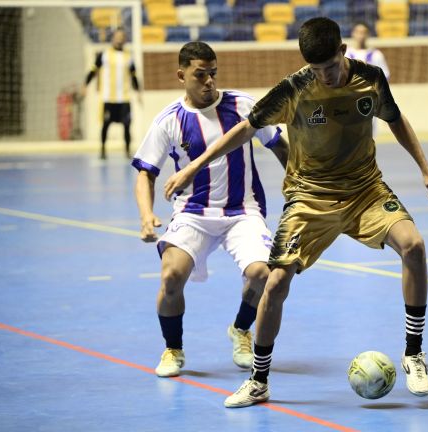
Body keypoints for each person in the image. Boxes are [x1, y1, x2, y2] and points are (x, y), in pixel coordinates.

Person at [163, 18, 428, 407]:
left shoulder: (370, 79)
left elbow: (396, 120)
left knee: (413, 246)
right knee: (275, 283)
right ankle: (259, 380)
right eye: (315, 69)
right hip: (309, 197)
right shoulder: (295, 88)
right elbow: (245, 129)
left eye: (328, 67)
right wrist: (194, 166)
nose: (323, 76)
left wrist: (425, 169)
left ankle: (414, 354)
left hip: (365, 189)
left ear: (343, 52)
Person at [132, 41, 289, 378]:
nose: (209, 82)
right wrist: (146, 216)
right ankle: (173, 348)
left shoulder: (243, 105)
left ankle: (240, 330)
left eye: (213, 74)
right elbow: (145, 173)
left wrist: (296, 179)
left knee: (263, 275)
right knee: (171, 275)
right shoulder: (169, 121)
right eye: (200, 75)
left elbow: (278, 143)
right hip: (193, 213)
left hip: (242, 210)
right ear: (181, 75)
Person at [82, 28, 141, 159]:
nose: (120, 38)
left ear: (124, 39)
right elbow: (93, 70)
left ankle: (127, 151)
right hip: (108, 98)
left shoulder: (128, 56)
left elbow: (134, 75)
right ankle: (102, 150)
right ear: (113, 38)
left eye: (122, 36)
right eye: (117, 36)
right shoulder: (104, 55)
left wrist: (138, 92)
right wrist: (85, 85)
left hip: (124, 98)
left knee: (127, 125)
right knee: (105, 125)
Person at [345, 22, 389, 138]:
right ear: (353, 34)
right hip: (349, 101)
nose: (361, 36)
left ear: (368, 34)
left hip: (370, 101)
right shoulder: (346, 55)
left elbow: (384, 79)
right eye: (358, 32)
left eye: (364, 33)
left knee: (370, 136)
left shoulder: (376, 55)